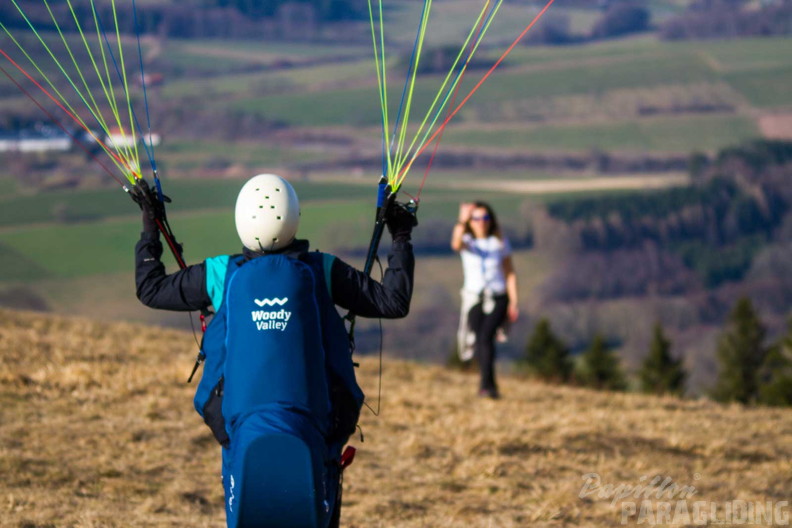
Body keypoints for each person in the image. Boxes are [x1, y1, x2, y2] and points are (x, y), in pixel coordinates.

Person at [133, 173, 416, 528]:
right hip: (318, 425)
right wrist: (400, 235)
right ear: (293, 216)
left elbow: (151, 288)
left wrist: (150, 226)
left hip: (238, 428)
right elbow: (393, 301)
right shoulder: (323, 271)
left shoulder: (221, 274)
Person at [451, 201, 518, 399]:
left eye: (485, 218)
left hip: (498, 296)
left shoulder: (499, 242)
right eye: (476, 218)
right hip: (473, 297)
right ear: (470, 222)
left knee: (486, 337)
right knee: (480, 339)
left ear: (491, 220)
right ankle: (488, 385)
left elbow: (510, 272)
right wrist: (461, 220)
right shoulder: (466, 241)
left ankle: (486, 386)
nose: (481, 222)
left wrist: (514, 301)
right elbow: (455, 244)